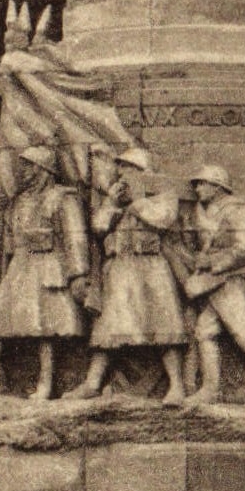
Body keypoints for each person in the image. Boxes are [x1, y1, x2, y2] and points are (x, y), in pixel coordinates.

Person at [65, 146, 187, 405]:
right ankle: (92, 383)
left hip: (151, 264)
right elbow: (98, 227)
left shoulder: (163, 193)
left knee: (165, 326)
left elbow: (163, 219)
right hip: (119, 266)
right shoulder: (113, 196)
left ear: (143, 172)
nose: (123, 172)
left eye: (129, 168)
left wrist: (137, 201)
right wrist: (111, 204)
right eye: (121, 167)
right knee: (108, 328)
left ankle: (177, 386)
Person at [0, 146, 91, 399]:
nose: (22, 170)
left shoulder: (62, 197)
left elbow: (75, 237)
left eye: (28, 165)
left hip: (48, 265)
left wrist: (78, 273)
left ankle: (45, 384)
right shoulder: (18, 200)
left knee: (45, 328)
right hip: (20, 265)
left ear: (43, 169)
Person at [179, 163, 245, 405]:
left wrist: (211, 262)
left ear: (217, 186)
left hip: (233, 280)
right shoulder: (205, 211)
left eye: (202, 183)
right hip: (216, 284)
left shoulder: (237, 210)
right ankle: (211, 389)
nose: (197, 188)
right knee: (204, 331)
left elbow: (244, 249)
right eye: (196, 184)